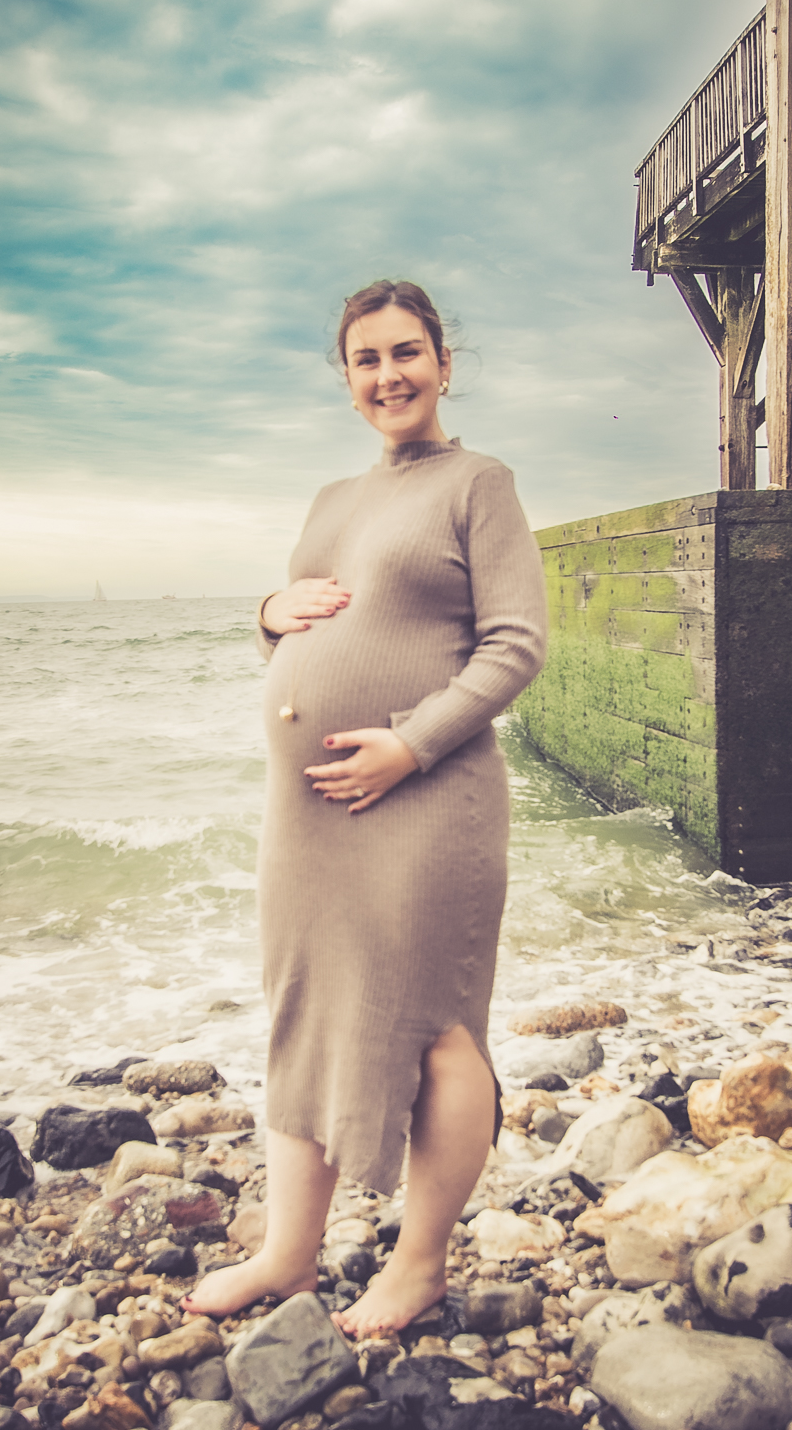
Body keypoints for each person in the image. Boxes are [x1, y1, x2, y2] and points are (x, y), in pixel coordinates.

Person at [183, 279, 548, 1336]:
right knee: (302, 1013)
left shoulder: (479, 482)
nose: (387, 374)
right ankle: (288, 1254)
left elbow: (515, 643)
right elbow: (301, 618)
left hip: (427, 796)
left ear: (441, 362)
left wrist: (409, 741)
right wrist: (263, 613)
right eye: (365, 360)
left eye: (405, 353)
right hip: (306, 816)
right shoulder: (331, 501)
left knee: (434, 1025)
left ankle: (419, 1263)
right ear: (345, 383)